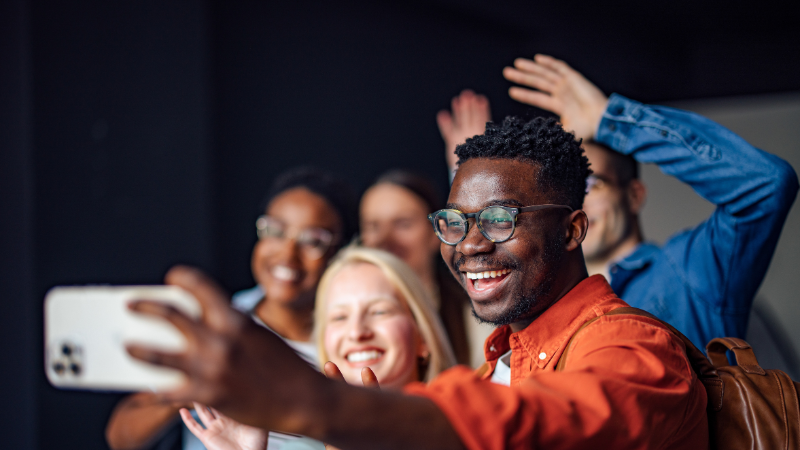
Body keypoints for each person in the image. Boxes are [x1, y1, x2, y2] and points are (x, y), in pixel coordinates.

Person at [127, 115, 708, 449]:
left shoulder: (631, 345)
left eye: (500, 219)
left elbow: (547, 421)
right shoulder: (501, 361)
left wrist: (320, 404)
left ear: (573, 229)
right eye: (455, 222)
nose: (470, 244)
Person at [106, 167, 359, 450]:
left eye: (313, 240)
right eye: (275, 230)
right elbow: (120, 437)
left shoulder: (350, 338)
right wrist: (186, 391)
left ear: (340, 252)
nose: (287, 254)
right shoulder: (212, 325)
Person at [178, 246, 457, 450]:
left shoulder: (465, 427)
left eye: (380, 311)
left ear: (423, 337)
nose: (357, 332)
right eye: (339, 317)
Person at [359, 170, 493, 366]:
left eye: (403, 224)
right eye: (373, 226)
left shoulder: (477, 324)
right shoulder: (345, 324)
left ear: (437, 232)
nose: (384, 240)